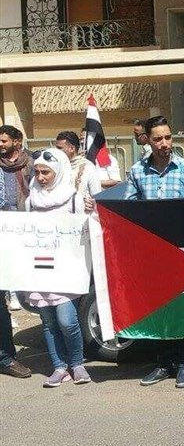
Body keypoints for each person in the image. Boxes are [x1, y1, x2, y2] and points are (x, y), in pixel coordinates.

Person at [115, 116, 184, 388]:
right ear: (147, 141)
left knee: (182, 308)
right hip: (151, 254)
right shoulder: (137, 172)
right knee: (159, 308)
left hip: (181, 252)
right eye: (158, 139)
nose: (164, 143)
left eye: (168, 137)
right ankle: (164, 363)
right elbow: (129, 211)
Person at [25, 148, 93, 387]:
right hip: (40, 271)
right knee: (49, 322)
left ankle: (77, 364)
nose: (40, 177)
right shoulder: (30, 201)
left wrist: (92, 213)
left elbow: (87, 231)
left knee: (67, 321)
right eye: (37, 172)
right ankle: (59, 367)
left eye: (46, 172)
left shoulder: (74, 199)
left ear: (60, 171)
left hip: (67, 271)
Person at [1, 125, 33, 316]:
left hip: (23, 216)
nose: (0, 144)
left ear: (15, 141)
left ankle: (26, 293)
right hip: (3, 216)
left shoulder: (29, 161)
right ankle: (10, 294)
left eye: (4, 141)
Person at [54, 130, 102, 199]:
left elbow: (96, 195)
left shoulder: (88, 167)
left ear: (72, 148)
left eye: (59, 148)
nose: (56, 151)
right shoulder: (55, 166)